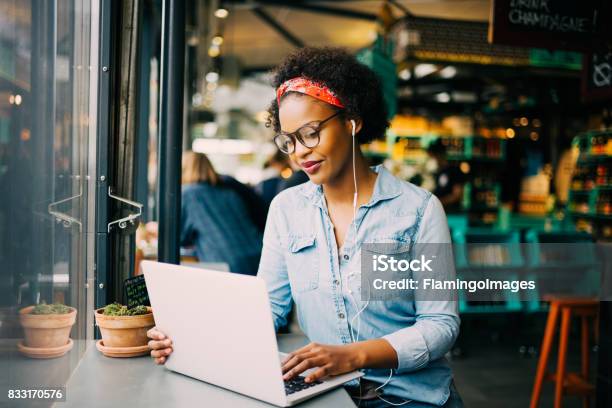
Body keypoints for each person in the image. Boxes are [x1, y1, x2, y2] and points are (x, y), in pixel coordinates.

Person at [149, 47, 462, 407]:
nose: (300, 152)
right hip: (328, 396)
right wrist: (189, 338)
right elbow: (266, 307)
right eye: (289, 140)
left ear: (352, 122)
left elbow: (440, 325)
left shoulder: (418, 210)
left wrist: (354, 356)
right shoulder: (287, 209)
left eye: (311, 133)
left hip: (412, 400)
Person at [179, 151, 264, 275]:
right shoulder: (230, 193)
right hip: (257, 257)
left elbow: (181, 238)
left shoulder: (188, 194)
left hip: (226, 264)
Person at [427, 139, 465, 212]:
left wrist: (437, 202)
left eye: (432, 157)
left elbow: (457, 195)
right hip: (437, 211)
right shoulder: (436, 172)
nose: (431, 160)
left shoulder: (455, 170)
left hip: (452, 213)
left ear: (439, 155)